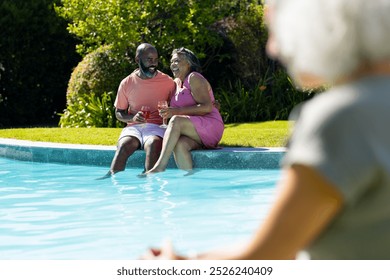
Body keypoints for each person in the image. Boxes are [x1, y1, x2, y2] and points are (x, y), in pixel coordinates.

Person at [141, 0, 390, 259]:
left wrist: (175, 265)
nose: (272, 48)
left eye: (278, 29)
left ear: (324, 27)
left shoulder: (339, 120)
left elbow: (267, 258)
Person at [101, 43, 175, 178]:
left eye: (156, 59)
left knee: (153, 144)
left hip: (156, 126)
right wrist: (132, 118)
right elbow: (119, 112)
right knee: (123, 146)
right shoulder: (127, 83)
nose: (154, 64)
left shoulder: (168, 82)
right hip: (134, 127)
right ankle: (111, 178)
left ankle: (148, 178)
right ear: (137, 60)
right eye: (149, 59)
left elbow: (179, 102)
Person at [145, 47, 224, 174]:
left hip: (210, 125)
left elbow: (207, 107)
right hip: (193, 130)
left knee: (176, 121)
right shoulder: (176, 83)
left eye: (177, 61)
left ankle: (160, 166)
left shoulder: (194, 77)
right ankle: (189, 180)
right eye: (172, 62)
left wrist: (174, 112)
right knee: (179, 144)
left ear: (188, 63)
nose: (173, 65)